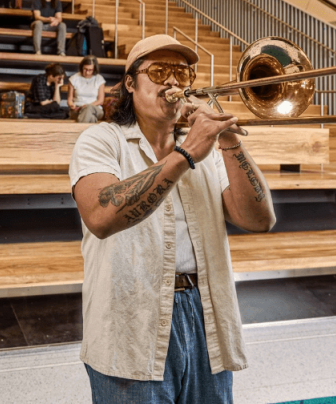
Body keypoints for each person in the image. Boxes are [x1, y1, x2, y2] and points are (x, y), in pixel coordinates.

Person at [68, 35, 276, 403]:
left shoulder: (209, 147)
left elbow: (259, 220)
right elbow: (101, 216)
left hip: (207, 311)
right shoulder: (101, 140)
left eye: (182, 73)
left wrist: (229, 140)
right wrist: (186, 152)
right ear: (130, 83)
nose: (173, 83)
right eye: (159, 72)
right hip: (130, 315)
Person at [67, 55, 106, 123]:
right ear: (81, 67)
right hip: (78, 109)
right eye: (85, 69)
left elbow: (100, 100)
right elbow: (70, 99)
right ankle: (88, 128)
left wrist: (88, 106)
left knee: (88, 109)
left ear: (94, 69)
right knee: (91, 117)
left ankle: (79, 130)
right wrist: (71, 105)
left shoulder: (99, 79)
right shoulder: (74, 79)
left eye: (90, 70)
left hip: (95, 108)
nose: (87, 72)